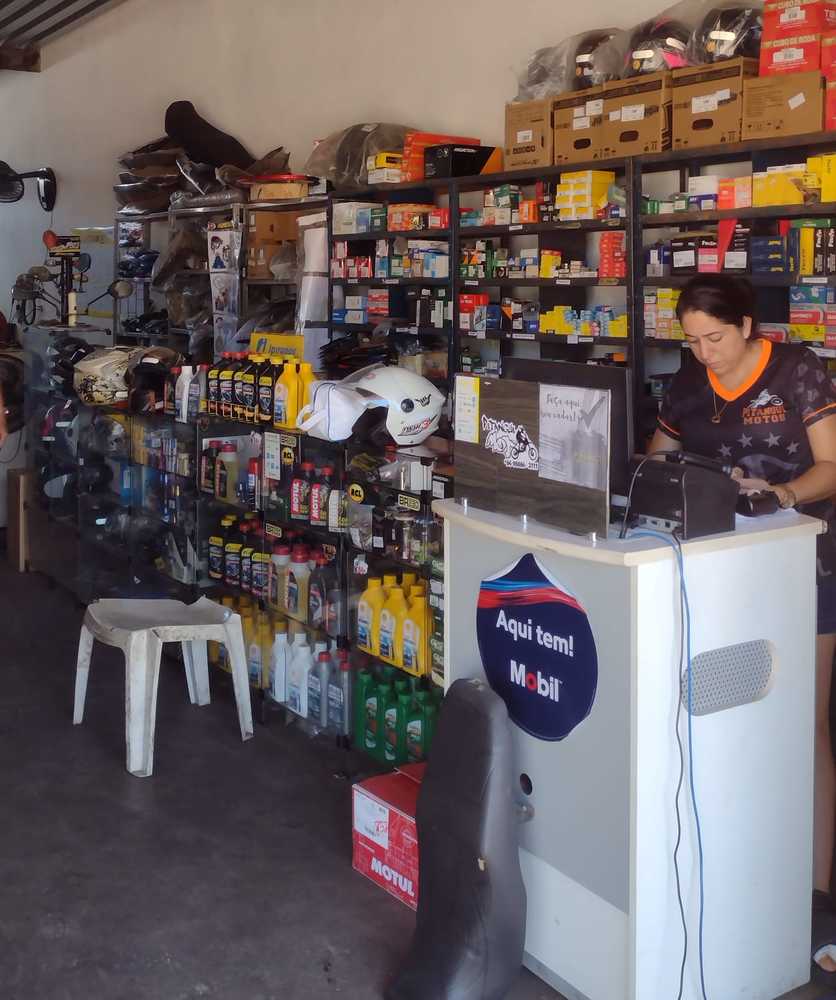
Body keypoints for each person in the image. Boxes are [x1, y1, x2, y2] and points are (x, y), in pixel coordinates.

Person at [649, 274, 836, 983]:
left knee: (804, 723)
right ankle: (736, 872)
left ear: (748, 326)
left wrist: (780, 493)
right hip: (714, 571)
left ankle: (814, 897)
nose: (705, 353)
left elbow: (832, 466)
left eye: (716, 338)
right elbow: (656, 461)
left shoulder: (797, 370)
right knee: (726, 720)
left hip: (807, 564)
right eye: (693, 340)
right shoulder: (688, 383)